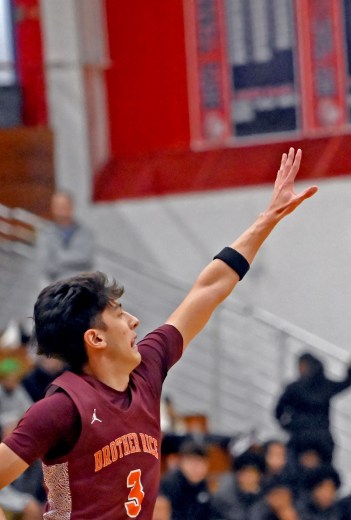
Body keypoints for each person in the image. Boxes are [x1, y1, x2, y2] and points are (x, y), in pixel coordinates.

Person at [0, 148, 317, 520]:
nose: (134, 321)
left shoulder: (148, 366)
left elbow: (208, 289)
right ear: (95, 339)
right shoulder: (61, 408)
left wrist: (267, 218)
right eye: (118, 314)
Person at [274, 352, 351, 464]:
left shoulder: (294, 388)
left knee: (294, 466)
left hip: (301, 436)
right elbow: (346, 383)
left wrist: (287, 426)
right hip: (322, 438)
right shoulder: (326, 386)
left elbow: (278, 411)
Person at [36, 190, 96, 283]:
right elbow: (46, 264)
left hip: (81, 286)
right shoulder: (45, 234)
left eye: (64, 205)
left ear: (71, 206)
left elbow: (86, 258)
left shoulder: (85, 232)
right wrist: (73, 261)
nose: (61, 209)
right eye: (58, 206)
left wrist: (58, 256)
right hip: (55, 287)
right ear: (52, 208)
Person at [158, 438, 212, 520]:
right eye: (191, 463)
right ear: (181, 463)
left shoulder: (203, 484)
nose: (195, 468)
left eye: (200, 463)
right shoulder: (169, 485)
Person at [211, 450, 265, 520]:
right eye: (243, 472)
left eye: (252, 472)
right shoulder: (223, 497)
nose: (247, 476)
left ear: (260, 475)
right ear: (237, 474)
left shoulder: (268, 497)